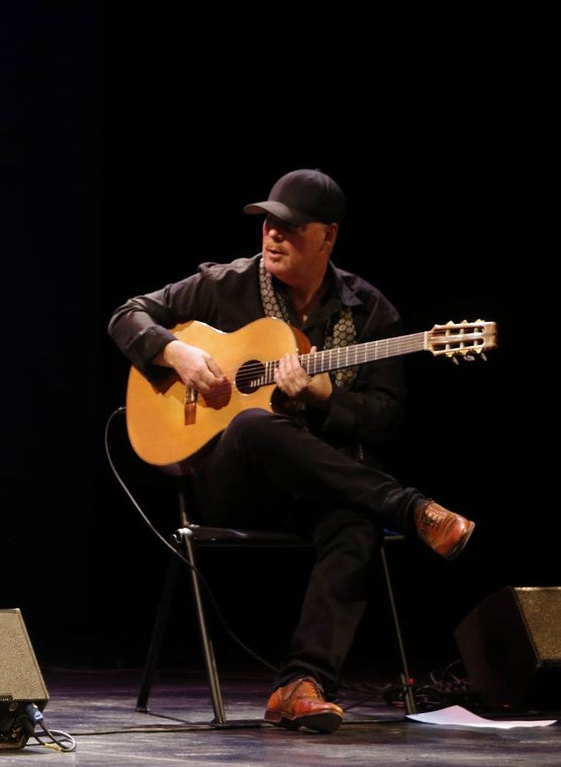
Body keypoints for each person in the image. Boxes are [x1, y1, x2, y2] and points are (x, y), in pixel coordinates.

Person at [107, 168, 476, 734]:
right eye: (268, 225)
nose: (272, 237)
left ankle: (300, 684)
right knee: (255, 424)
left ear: (327, 237)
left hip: (316, 490)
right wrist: (175, 353)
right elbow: (126, 315)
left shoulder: (370, 313)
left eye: (290, 228)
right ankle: (409, 507)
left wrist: (328, 396)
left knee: (355, 522)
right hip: (228, 484)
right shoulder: (225, 283)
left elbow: (386, 418)